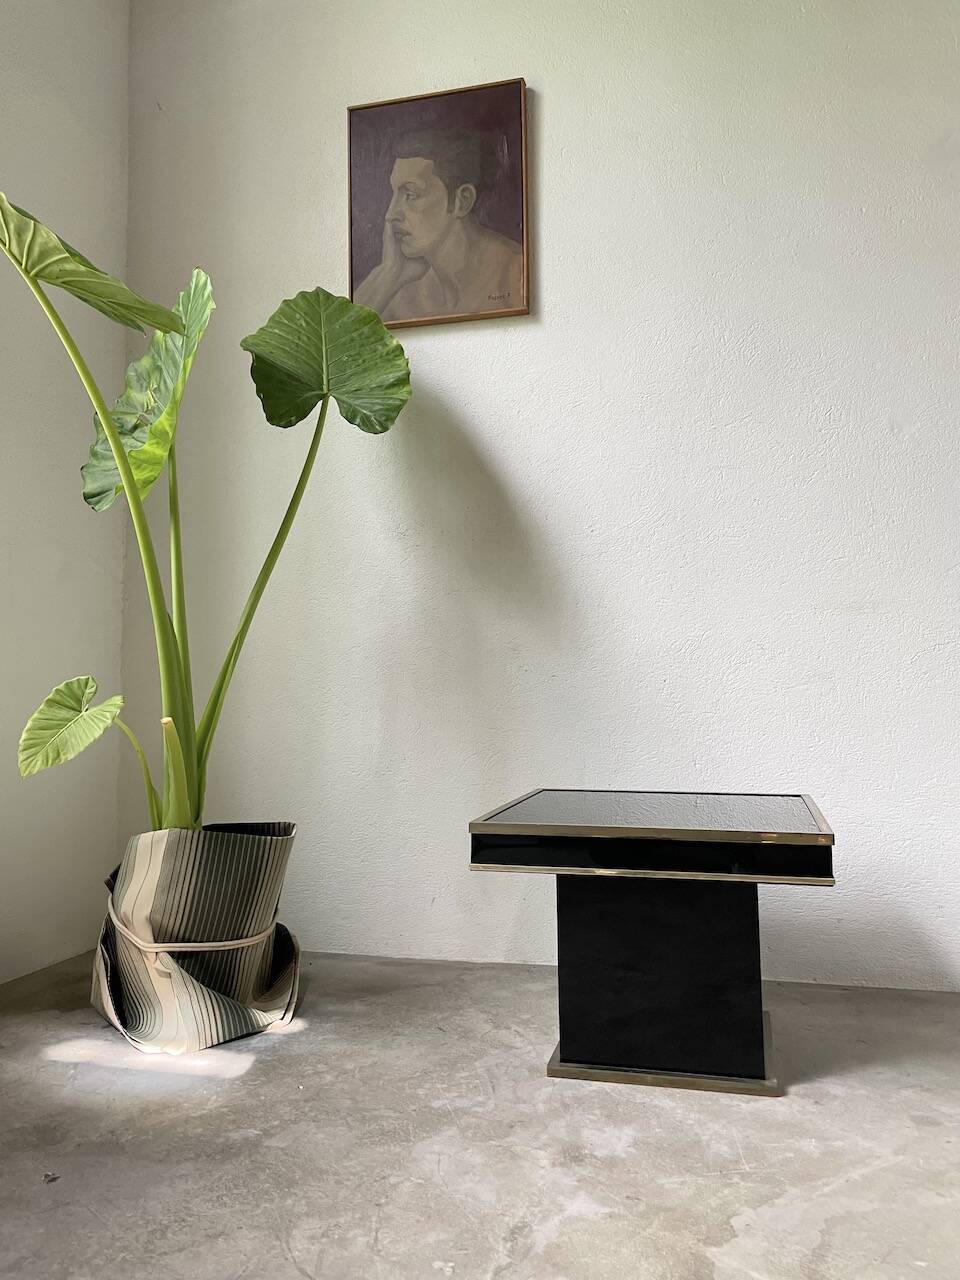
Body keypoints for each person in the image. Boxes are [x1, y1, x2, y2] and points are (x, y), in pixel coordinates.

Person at [354, 128, 523, 322]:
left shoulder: (517, 276)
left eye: (410, 195)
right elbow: (342, 343)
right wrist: (387, 272)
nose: (390, 214)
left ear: (463, 201)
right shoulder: (398, 293)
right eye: (394, 194)